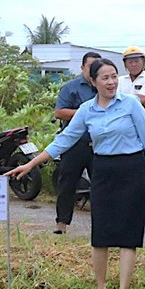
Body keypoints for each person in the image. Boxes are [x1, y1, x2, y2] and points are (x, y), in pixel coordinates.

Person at [6, 58, 145, 289]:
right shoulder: (87, 110)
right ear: (93, 81)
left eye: (114, 76)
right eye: (105, 78)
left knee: (128, 235)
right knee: (100, 234)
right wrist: (30, 164)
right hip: (103, 171)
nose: (112, 82)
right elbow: (63, 140)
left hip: (132, 170)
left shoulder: (132, 104)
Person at [52, 51, 101, 234]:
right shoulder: (70, 88)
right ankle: (61, 224)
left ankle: (101, 226)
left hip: (99, 146)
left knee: (101, 186)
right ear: (82, 68)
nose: (94, 70)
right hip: (74, 145)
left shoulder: (104, 88)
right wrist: (85, 113)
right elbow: (60, 112)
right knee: (67, 184)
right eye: (91, 66)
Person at [118, 46, 145, 228]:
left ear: (143, 62)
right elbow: (116, 99)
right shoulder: (119, 80)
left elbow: (143, 100)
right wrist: (132, 100)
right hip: (124, 133)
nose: (134, 63)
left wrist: (122, 100)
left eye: (137, 60)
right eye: (130, 60)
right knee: (125, 173)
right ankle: (127, 211)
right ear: (125, 64)